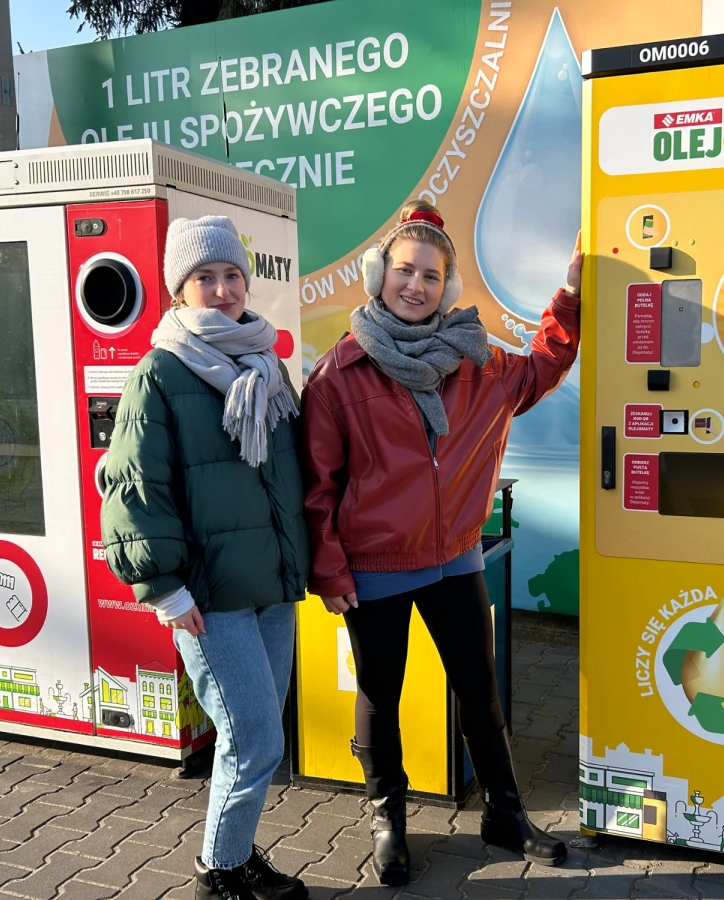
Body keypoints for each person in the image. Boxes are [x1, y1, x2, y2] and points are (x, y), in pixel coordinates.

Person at [302, 201, 581, 886]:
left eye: (431, 274)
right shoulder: (340, 373)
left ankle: (504, 815)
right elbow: (317, 486)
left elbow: (545, 363)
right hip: (374, 567)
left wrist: (570, 296)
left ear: (447, 286)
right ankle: (387, 820)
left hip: (454, 557)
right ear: (380, 276)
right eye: (405, 270)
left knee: (480, 690)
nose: (416, 285)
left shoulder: (480, 365)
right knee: (380, 693)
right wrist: (331, 570)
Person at [101, 215, 311, 900]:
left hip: (269, 586)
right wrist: (164, 587)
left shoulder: (266, 363)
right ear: (177, 291)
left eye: (231, 276)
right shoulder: (160, 372)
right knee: (254, 739)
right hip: (207, 597)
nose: (221, 290)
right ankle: (218, 873)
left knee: (256, 735)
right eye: (204, 277)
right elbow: (134, 489)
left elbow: (287, 474)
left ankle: (238, 853)